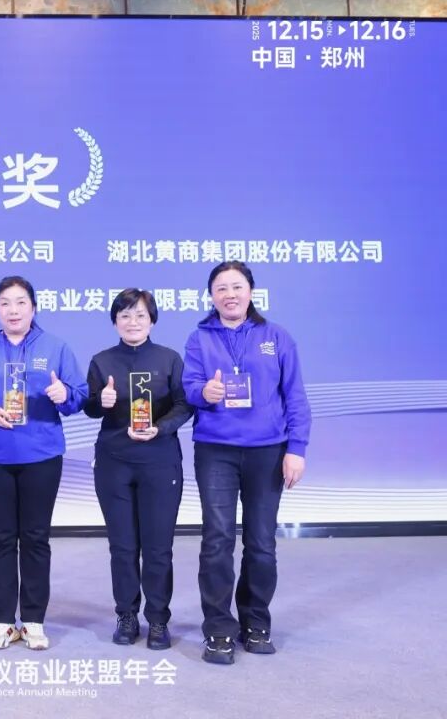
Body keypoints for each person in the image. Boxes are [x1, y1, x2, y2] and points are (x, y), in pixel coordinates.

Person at [183, 261, 311, 665]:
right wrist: (205, 392)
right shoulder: (199, 337)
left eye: (237, 286)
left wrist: (297, 449)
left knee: (261, 543)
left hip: (267, 450)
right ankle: (218, 630)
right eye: (221, 288)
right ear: (211, 295)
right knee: (217, 540)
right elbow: (189, 388)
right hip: (215, 450)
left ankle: (255, 622)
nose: (230, 294)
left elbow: (295, 396)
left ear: (251, 292)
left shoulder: (276, 337)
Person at [0, 275, 88, 650]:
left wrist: (64, 394)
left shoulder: (56, 347)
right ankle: (2, 620)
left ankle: (32, 620)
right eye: (5, 304)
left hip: (41, 455)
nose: (13, 310)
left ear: (33, 307)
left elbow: (79, 395)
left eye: (20, 303)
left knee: (35, 537)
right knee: (0, 538)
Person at [84, 289, 192, 651]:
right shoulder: (102, 361)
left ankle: (158, 619)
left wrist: (159, 428)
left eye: (140, 315)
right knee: (122, 546)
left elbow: (184, 406)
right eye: (125, 315)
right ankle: (126, 615)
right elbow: (90, 408)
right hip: (114, 462)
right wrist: (101, 401)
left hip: (159, 461)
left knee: (158, 547)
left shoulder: (169, 359)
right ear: (115, 321)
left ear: (152, 320)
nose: (133, 322)